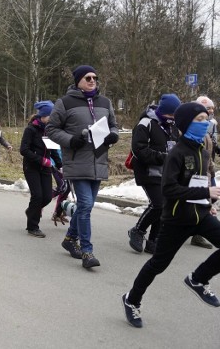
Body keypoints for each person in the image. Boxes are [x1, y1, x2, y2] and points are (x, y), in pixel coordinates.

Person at [122, 102, 220, 328]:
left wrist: (208, 201)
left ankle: (198, 279)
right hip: (176, 220)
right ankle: (131, 300)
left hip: (201, 215)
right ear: (186, 124)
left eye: (206, 119)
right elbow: (169, 190)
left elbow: (198, 182)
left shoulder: (203, 153)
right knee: (157, 264)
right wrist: (205, 191)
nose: (205, 123)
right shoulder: (175, 153)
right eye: (199, 120)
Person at [47, 65, 119, 268]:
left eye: (95, 77)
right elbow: (51, 129)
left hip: (99, 160)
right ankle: (87, 252)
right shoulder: (65, 102)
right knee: (86, 205)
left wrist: (113, 134)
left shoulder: (105, 102)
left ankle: (70, 239)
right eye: (87, 77)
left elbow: (114, 125)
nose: (92, 80)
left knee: (86, 206)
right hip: (76, 160)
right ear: (78, 80)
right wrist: (71, 140)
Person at [127, 94, 181, 254]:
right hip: (147, 172)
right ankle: (137, 230)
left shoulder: (173, 126)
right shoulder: (145, 124)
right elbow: (138, 150)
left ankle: (153, 240)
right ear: (163, 111)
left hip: (166, 172)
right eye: (171, 114)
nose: (173, 118)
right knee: (158, 204)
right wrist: (163, 157)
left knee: (165, 207)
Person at [19, 101, 61, 237]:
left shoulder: (50, 130)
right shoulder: (30, 129)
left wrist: (60, 165)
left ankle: (31, 211)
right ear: (43, 116)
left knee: (47, 197)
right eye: (50, 115)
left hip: (45, 168)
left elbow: (53, 149)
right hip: (31, 166)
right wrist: (41, 159)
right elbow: (24, 150)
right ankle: (33, 226)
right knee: (37, 196)